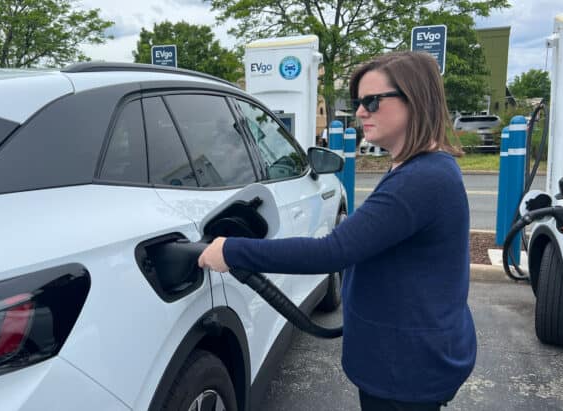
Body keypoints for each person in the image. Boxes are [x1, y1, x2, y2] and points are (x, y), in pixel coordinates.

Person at [198, 51, 476, 411]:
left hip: (407, 369)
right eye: (359, 102)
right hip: (414, 355)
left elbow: (332, 252)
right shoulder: (424, 169)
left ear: (416, 100)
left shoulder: (422, 179)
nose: (360, 112)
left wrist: (231, 250)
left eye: (372, 101)